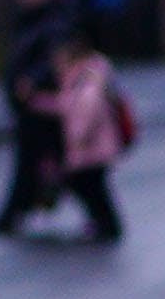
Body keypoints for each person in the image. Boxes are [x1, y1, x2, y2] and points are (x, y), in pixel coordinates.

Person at [0, 0, 74, 236]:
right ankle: (15, 212)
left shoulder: (54, 20)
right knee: (32, 161)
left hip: (43, 102)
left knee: (64, 163)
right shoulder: (30, 18)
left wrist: (34, 80)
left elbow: (55, 57)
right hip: (30, 103)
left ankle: (15, 213)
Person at [46, 34, 136, 241]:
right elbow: (63, 105)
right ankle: (104, 223)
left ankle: (107, 225)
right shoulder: (79, 78)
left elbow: (88, 109)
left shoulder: (85, 80)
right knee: (92, 188)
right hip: (91, 147)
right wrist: (36, 101)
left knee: (90, 188)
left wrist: (78, 137)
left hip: (91, 148)